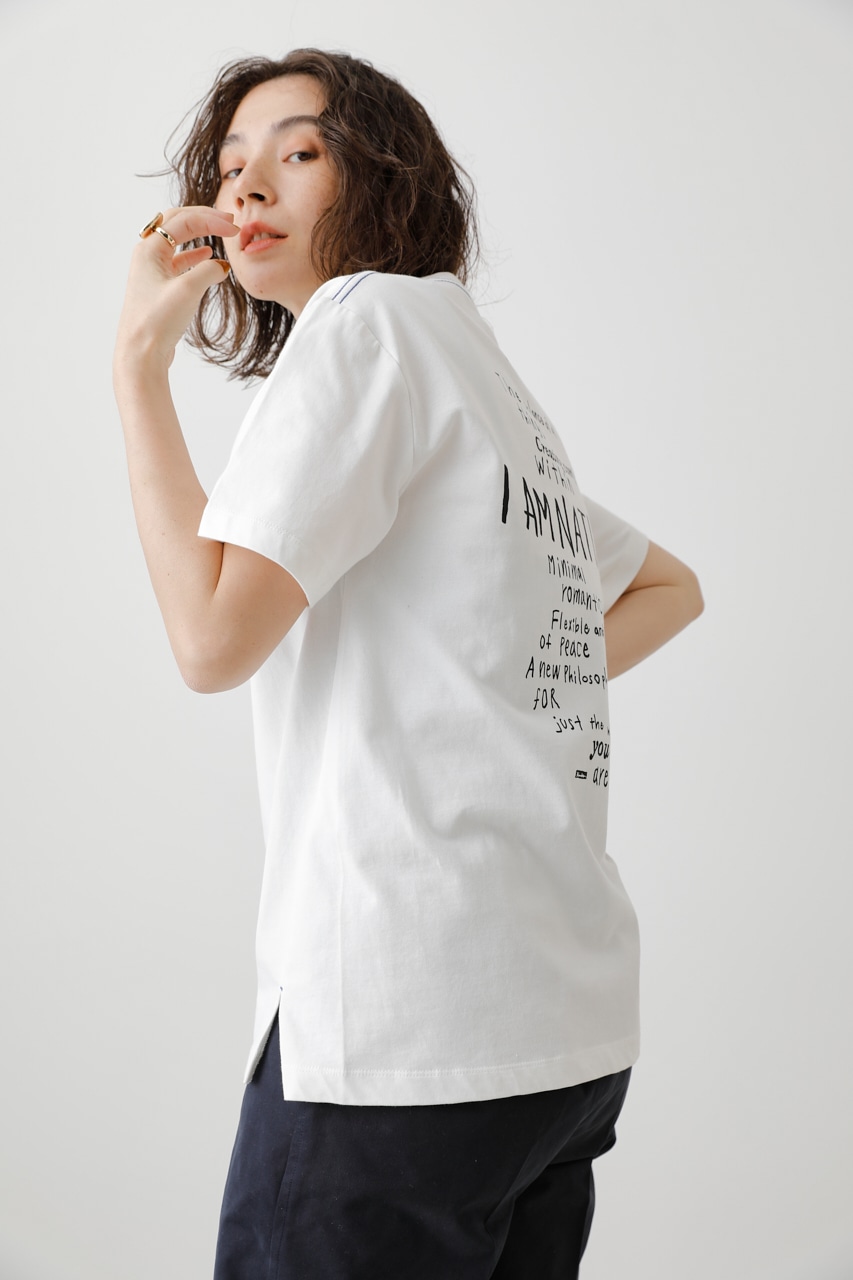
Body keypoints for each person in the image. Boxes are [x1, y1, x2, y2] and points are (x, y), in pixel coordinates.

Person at [114, 47, 703, 1280]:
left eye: (298, 151)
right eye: (231, 165)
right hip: (559, 1032)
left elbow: (210, 641)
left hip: (401, 1034)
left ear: (381, 174)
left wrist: (137, 370)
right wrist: (488, 679)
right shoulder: (479, 375)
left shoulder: (363, 326)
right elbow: (668, 586)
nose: (248, 185)